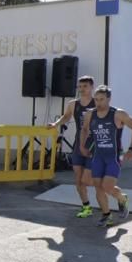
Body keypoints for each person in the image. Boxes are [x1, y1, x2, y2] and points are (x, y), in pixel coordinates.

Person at [79, 85, 132, 228]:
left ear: (109, 99)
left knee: (107, 187)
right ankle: (107, 215)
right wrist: (82, 145)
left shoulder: (118, 114)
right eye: (96, 99)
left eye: (101, 99)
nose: (98, 103)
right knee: (98, 187)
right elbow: (85, 129)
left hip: (112, 157)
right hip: (97, 157)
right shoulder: (90, 114)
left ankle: (122, 199)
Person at [48, 75, 96, 217]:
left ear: (92, 87)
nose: (82, 89)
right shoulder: (73, 104)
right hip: (78, 145)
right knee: (78, 179)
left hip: (94, 146)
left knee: (88, 180)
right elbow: (67, 116)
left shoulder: (97, 103)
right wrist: (55, 124)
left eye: (85, 86)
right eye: (80, 87)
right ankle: (86, 206)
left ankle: (115, 193)